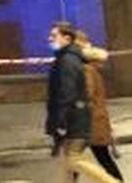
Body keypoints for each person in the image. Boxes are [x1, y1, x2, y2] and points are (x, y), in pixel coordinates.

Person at [46, 21, 121, 183]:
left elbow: (73, 94)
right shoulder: (77, 63)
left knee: (76, 160)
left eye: (54, 36)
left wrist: (61, 120)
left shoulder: (75, 65)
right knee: (71, 163)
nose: (50, 39)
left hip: (84, 121)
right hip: (87, 119)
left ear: (67, 39)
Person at [74, 30, 124, 181]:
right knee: (83, 159)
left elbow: (86, 95)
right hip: (92, 121)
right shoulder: (88, 68)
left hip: (89, 122)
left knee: (75, 159)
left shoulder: (85, 70)